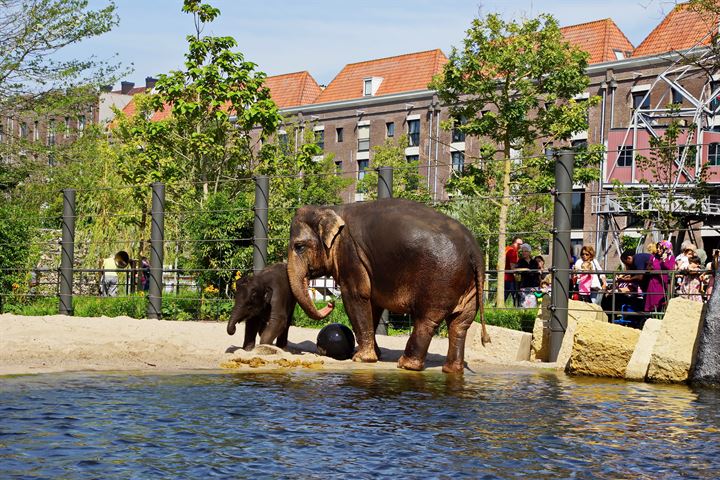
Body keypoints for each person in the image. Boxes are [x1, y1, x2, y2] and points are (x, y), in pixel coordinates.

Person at [644, 240, 676, 313]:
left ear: (666, 249)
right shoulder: (654, 257)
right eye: (657, 248)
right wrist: (650, 267)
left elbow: (670, 269)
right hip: (653, 285)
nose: (658, 249)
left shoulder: (671, 258)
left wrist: (664, 260)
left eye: (660, 248)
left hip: (664, 285)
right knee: (652, 308)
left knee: (662, 306)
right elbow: (648, 268)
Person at [504, 236, 523, 306]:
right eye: (519, 244)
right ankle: (517, 310)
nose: (520, 246)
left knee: (504, 295)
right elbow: (513, 268)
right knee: (516, 296)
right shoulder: (513, 251)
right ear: (514, 243)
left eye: (521, 244)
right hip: (510, 278)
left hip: (504, 276)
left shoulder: (506, 249)